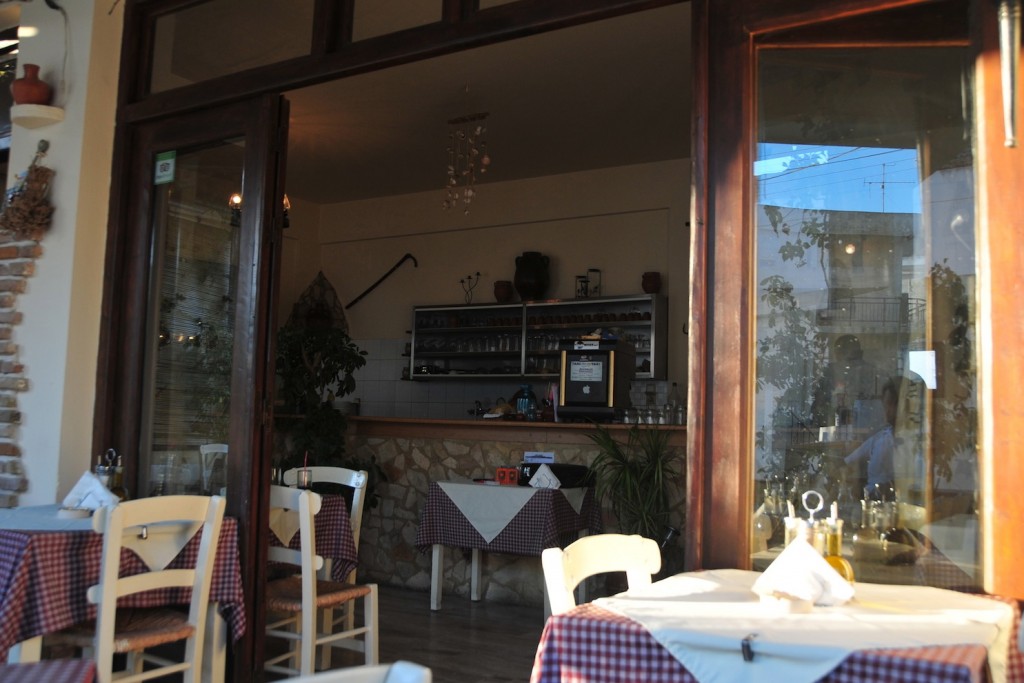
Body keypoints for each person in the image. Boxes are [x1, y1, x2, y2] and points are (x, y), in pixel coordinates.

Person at [844, 376, 899, 496]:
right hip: (870, 501)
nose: (887, 411)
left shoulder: (916, 443)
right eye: (885, 405)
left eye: (891, 404)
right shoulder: (879, 439)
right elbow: (849, 461)